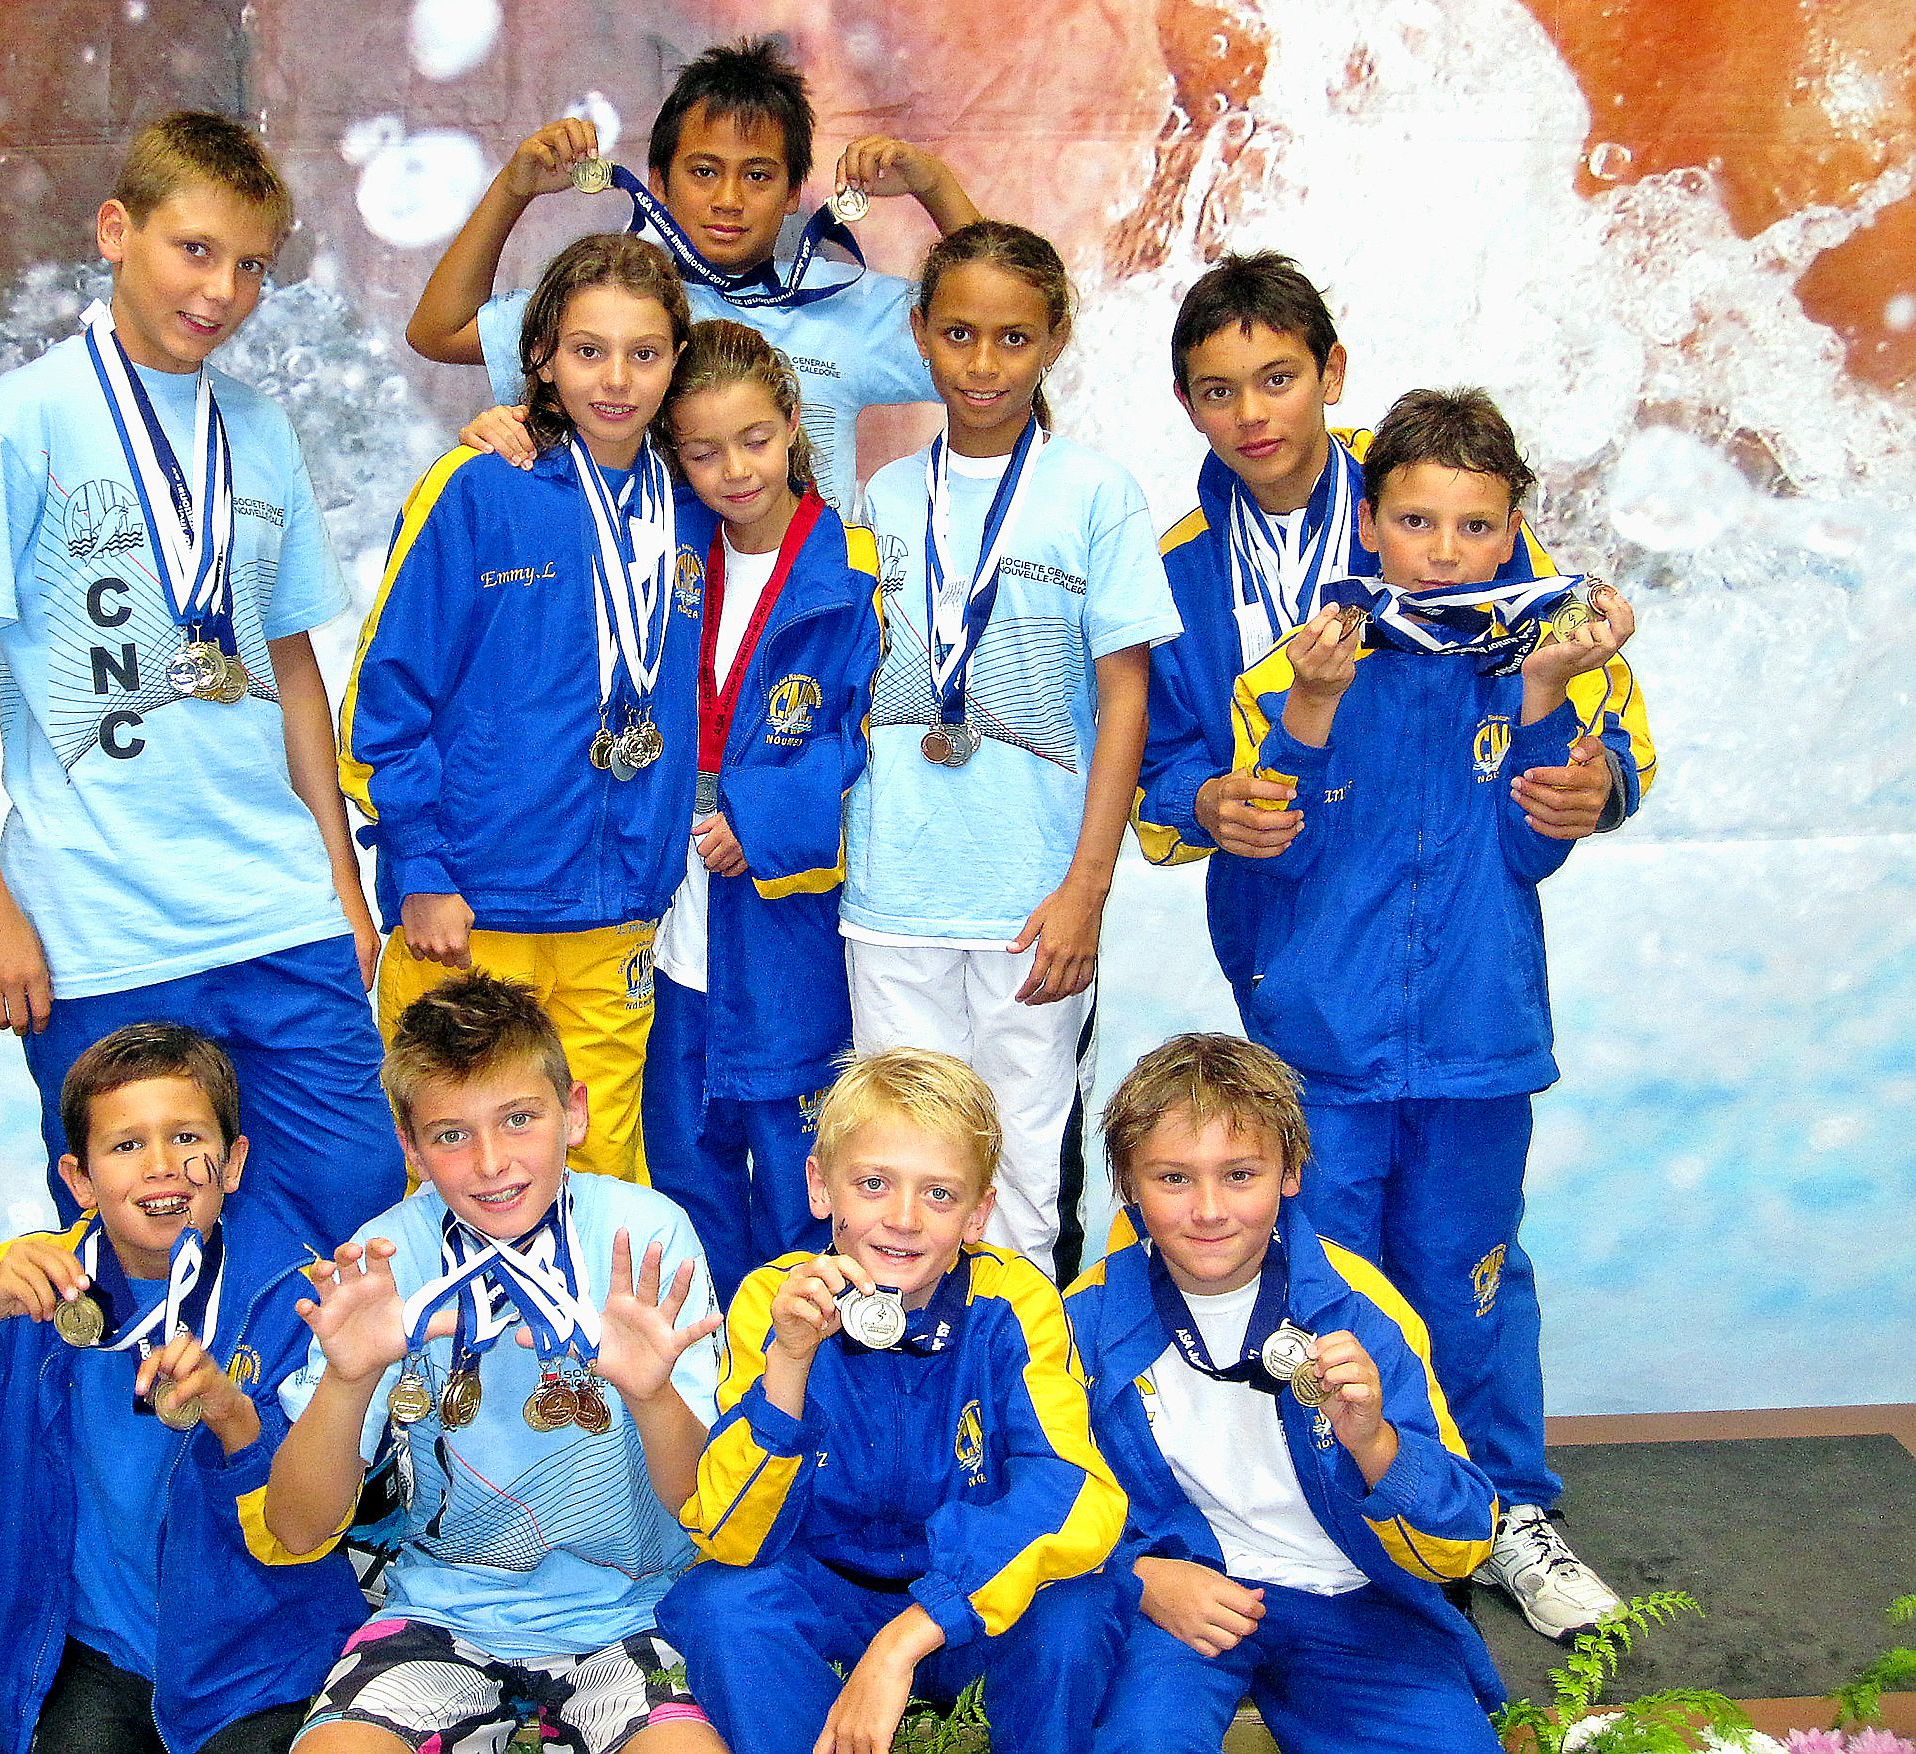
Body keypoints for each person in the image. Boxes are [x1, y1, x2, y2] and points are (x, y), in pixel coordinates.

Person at [0, 110, 397, 1266]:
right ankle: (135, 1451)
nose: (221, 290)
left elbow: (293, 671)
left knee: (356, 1218)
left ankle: (328, 1454)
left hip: (279, 913)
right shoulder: (25, 420)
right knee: (145, 1260)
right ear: (118, 231)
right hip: (102, 929)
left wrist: (340, 887)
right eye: (195, 249)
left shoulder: (261, 432)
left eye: (252, 264)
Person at [1225, 387, 1640, 1640]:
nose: (1444, 552)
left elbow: (1535, 854)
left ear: (1517, 528)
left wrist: (1551, 693)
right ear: (1369, 517)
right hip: (1325, 1057)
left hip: (1476, 1047)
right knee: (1325, 1294)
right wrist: (1303, 712)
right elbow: (1270, 855)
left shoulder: (1543, 660)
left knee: (1471, 1284)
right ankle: (1337, 1517)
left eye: (1473, 526)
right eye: (1415, 520)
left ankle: (1508, 1508)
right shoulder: (1304, 661)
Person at [1134, 249, 1655, 1022]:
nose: (1251, 414)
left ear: (1330, 372)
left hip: (1456, 936)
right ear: (1185, 402)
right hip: (1289, 952)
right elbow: (1154, 770)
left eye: (1277, 379)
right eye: (1219, 391)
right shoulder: (1170, 572)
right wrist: (1204, 801)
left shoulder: (1439, 504)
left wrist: (1602, 781)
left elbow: (1602, 705)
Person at [0, 1023, 367, 1754]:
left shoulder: (293, 1302)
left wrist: (232, 1416)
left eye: (186, 1139)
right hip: (94, 1654)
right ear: (79, 1179)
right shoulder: (26, 1292)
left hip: (260, 1662)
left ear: (232, 1163)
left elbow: (305, 1537)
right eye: (126, 1145)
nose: (162, 1168)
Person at [245, 973, 727, 1754]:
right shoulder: (383, 1256)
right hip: (438, 1612)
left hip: (636, 1611)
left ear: (573, 1113)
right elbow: (298, 1529)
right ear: (409, 1146)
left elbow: (701, 1507)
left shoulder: (644, 1237)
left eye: (518, 1119)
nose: (491, 1162)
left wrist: (652, 1394)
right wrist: (346, 1380)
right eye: (450, 1134)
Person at [838, 221, 1182, 1280]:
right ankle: (919, 1412)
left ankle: (1025, 1416)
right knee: (901, 1168)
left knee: (1028, 1177)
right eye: (958, 335)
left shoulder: (1095, 493)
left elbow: (1127, 701)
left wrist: (1087, 888)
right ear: (921, 337)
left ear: (1055, 338)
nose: (983, 364)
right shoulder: (887, 498)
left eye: (1012, 338)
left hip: (1032, 904)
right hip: (893, 894)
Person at [342, 234, 712, 1183]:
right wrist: (419, 868)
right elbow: (385, 703)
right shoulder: (476, 488)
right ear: (540, 355)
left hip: (615, 916)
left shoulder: (698, 504)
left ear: (679, 355)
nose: (617, 379)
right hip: (467, 914)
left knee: (602, 1180)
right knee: (458, 1180)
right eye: (588, 350)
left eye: (644, 352)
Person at [661, 1047, 1126, 1754]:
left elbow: (1072, 1490)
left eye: (939, 1194)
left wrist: (910, 1635)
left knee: (1074, 1610)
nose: (903, 1218)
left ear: (977, 1214)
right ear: (821, 1188)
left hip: (970, 1597)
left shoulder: (1015, 1303)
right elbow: (731, 1534)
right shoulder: (772, 1300)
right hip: (827, 1594)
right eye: (873, 1184)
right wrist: (789, 1361)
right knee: (720, 1604)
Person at [1066, 1033, 1505, 1753]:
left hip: (1354, 1598)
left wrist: (1375, 1444)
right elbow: (1039, 1491)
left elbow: (1462, 1541)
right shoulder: (1083, 1320)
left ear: (1290, 1172)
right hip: (1187, 1595)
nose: (1208, 1210)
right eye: (1172, 1179)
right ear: (1126, 1184)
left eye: (1239, 1174)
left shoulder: (1359, 1310)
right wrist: (1136, 1575)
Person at [404, 36, 980, 520]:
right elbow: (438, 331)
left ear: (794, 193)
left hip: (798, 623)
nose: (728, 199)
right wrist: (514, 188)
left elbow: (1006, 323)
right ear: (658, 179)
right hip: (646, 619)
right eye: (704, 171)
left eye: (757, 175)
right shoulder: (617, 308)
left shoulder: (845, 303)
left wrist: (934, 187)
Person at [631, 319, 885, 1293]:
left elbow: (868, 733)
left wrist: (767, 814)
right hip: (665, 940)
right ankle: (711, 1421)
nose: (733, 469)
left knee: (798, 1197)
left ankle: (801, 1413)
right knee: (684, 1196)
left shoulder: (852, 573)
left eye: (752, 439)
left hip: (785, 934)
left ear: (791, 423)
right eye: (702, 450)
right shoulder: (663, 561)